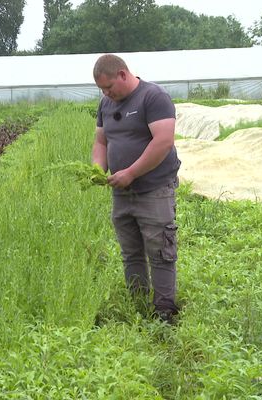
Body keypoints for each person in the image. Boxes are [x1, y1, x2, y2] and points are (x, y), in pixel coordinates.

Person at [91, 54, 181, 323]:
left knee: (160, 252)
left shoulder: (153, 98)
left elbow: (163, 141)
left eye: (109, 87)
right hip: (122, 193)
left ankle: (164, 312)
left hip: (153, 189)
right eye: (102, 90)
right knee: (130, 253)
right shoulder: (106, 104)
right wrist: (97, 169)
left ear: (122, 74)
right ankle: (138, 304)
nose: (106, 93)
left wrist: (130, 172)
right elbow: (101, 143)